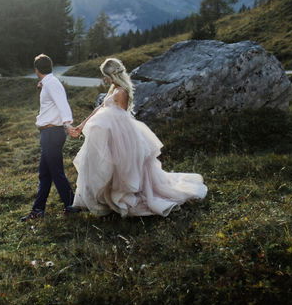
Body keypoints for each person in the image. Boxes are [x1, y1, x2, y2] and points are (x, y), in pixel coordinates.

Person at [68, 57, 207, 216]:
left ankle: (118, 199)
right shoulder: (114, 88)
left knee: (119, 168)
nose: (104, 79)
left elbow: (122, 116)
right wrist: (82, 125)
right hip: (105, 133)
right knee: (97, 163)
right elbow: (101, 107)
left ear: (112, 75)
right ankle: (97, 200)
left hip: (119, 134)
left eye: (105, 75)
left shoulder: (122, 92)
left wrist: (108, 128)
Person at [20, 54, 78, 221]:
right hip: (49, 133)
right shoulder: (49, 83)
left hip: (53, 133)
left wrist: (68, 124)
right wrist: (42, 85)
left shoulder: (51, 83)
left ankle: (72, 205)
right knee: (45, 174)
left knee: (56, 172)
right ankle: (38, 210)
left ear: (36, 70)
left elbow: (63, 104)